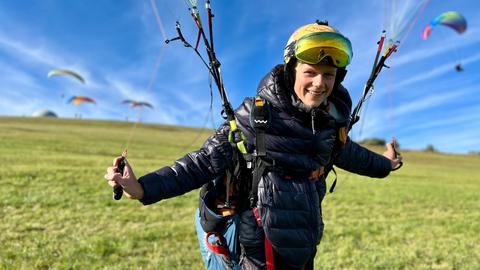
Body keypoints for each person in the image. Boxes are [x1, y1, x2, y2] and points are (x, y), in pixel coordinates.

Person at [105, 21, 403, 270]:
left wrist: (387, 163)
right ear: (291, 71)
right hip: (258, 250)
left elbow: (357, 157)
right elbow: (202, 162)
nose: (319, 83)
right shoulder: (255, 117)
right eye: (310, 72)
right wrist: (141, 188)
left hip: (304, 248)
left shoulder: (329, 126)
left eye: (328, 75)